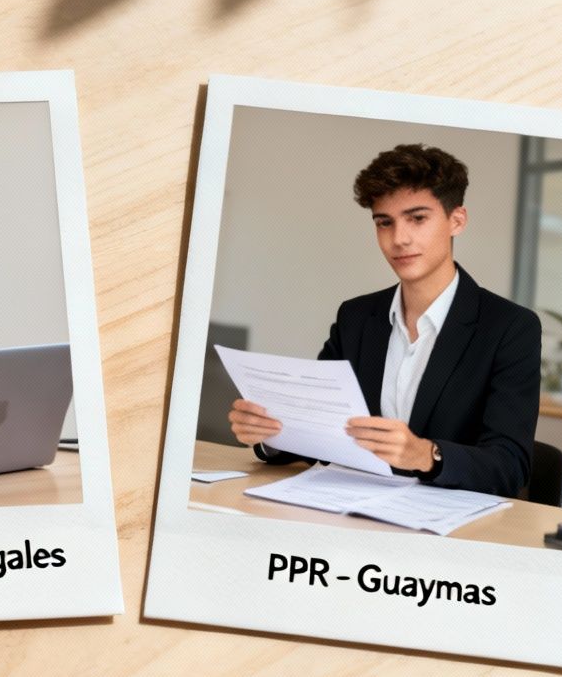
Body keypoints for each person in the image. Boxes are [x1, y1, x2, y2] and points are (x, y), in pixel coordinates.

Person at [228, 143, 541, 498]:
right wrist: (270, 434)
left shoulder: (510, 328)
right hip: (353, 506)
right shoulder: (356, 317)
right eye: (384, 223)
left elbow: (510, 466)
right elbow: (322, 431)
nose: (399, 239)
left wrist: (426, 455)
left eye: (417, 218)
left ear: (457, 220)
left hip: (444, 518)